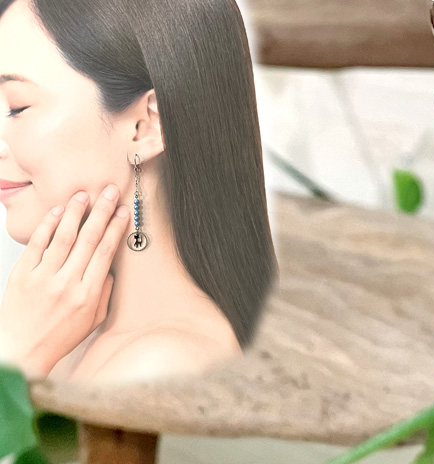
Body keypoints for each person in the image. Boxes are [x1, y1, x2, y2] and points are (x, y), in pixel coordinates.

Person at [0, 0, 277, 384]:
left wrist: (16, 354)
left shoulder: (163, 364)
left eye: (17, 107)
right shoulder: (61, 332)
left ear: (146, 126)